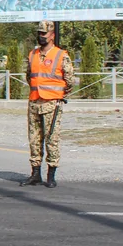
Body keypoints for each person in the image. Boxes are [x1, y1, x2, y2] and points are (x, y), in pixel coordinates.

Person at [21, 20, 74, 188]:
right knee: (34, 139)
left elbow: (70, 80)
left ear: (52, 35)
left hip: (52, 103)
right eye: (39, 33)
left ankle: (51, 174)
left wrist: (59, 95)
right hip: (35, 101)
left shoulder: (61, 55)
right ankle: (35, 173)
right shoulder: (33, 54)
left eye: (44, 33)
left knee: (51, 139)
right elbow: (29, 76)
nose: (41, 36)